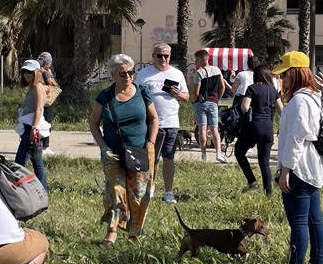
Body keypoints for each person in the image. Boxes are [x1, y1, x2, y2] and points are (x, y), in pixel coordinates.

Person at [90, 54, 159, 244]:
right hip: (113, 153)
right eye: (123, 73)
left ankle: (134, 232)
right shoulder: (104, 97)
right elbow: (94, 124)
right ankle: (112, 231)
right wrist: (103, 147)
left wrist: (151, 143)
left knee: (139, 193)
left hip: (139, 152)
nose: (128, 76)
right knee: (115, 191)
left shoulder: (142, 92)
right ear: (112, 75)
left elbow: (154, 119)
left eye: (131, 72)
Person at [274, 51, 323, 264]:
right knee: (314, 219)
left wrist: (286, 170)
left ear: (294, 74)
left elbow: (296, 138)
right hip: (314, 167)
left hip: (299, 168)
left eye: (285, 75)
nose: (282, 79)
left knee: (298, 223)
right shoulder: (314, 97)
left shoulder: (298, 101)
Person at [136, 43, 189, 204]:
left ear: (170, 57)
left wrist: (178, 93)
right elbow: (135, 94)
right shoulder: (144, 74)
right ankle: (150, 187)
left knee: (169, 157)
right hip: (150, 123)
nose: (163, 59)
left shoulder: (177, 74)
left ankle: (168, 192)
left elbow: (187, 97)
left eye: (166, 56)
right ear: (153, 56)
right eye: (159, 55)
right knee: (152, 158)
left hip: (171, 122)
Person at [235, 64, 281, 196]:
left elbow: (245, 107)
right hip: (268, 127)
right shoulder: (273, 90)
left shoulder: (252, 88)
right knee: (264, 162)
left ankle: (251, 180)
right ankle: (268, 193)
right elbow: (281, 110)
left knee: (239, 152)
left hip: (254, 126)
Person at [15, 59, 51, 191]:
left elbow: (39, 109)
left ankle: (19, 189)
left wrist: (34, 128)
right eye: (24, 72)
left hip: (32, 129)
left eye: (30, 72)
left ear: (36, 73)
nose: (26, 75)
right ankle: (43, 189)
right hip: (31, 128)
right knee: (37, 161)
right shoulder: (33, 86)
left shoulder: (37, 87)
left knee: (20, 162)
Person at [190, 49, 229, 162]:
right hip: (213, 102)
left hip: (201, 103)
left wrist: (193, 101)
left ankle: (204, 155)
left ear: (203, 59)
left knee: (202, 128)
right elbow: (222, 86)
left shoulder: (199, 73)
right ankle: (218, 153)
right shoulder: (217, 70)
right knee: (214, 129)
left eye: (197, 59)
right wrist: (217, 99)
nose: (195, 62)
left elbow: (196, 92)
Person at [38, 52, 58, 123]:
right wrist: (51, 74)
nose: (50, 63)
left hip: (38, 98)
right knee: (47, 121)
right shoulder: (45, 72)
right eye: (50, 61)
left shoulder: (38, 70)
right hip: (45, 100)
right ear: (46, 62)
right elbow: (53, 84)